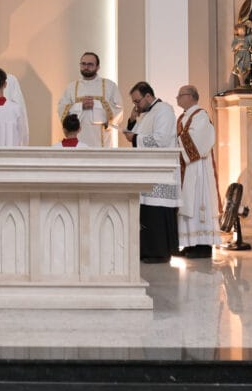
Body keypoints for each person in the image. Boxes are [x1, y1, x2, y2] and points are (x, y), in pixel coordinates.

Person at [126, 82, 178, 263]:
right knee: (148, 212)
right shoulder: (147, 113)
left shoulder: (164, 110)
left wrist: (135, 138)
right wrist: (132, 120)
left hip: (161, 171)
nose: (136, 105)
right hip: (148, 171)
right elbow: (137, 135)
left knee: (157, 212)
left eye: (137, 101)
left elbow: (161, 140)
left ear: (148, 96)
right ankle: (148, 251)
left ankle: (159, 252)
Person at [174, 85, 220, 258]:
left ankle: (203, 246)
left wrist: (177, 139)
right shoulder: (184, 116)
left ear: (191, 96)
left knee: (198, 203)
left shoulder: (200, 115)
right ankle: (189, 243)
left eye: (180, 95)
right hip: (186, 168)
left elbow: (200, 142)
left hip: (198, 169)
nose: (177, 98)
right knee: (187, 204)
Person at [56, 52, 123, 149]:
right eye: (83, 64)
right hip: (77, 139)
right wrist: (80, 106)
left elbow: (119, 109)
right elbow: (61, 108)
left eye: (90, 64)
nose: (86, 67)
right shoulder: (71, 87)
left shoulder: (110, 85)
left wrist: (96, 106)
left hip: (102, 139)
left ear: (98, 67)